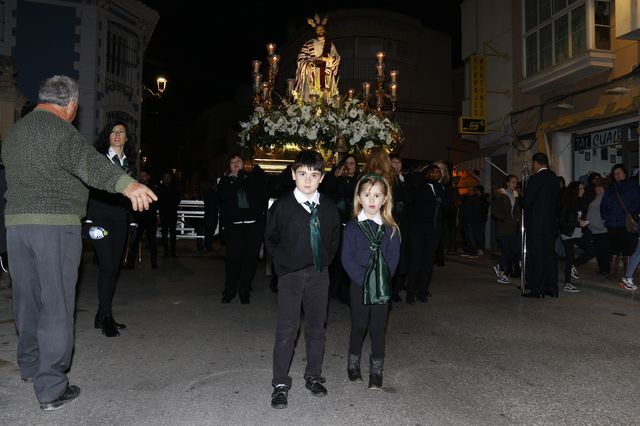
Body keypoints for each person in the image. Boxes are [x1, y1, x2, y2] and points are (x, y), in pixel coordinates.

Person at [2, 75, 156, 410]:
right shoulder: (60, 131)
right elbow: (89, 163)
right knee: (56, 303)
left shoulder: (14, 132)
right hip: (54, 226)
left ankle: (29, 366)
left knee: (26, 299)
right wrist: (126, 185)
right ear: (71, 105)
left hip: (16, 227)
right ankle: (52, 387)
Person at [266, 150, 340, 409]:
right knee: (287, 329)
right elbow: (271, 239)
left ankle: (313, 375)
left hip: (319, 274)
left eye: (314, 175)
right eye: (302, 174)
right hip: (290, 276)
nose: (308, 180)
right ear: (293, 174)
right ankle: (280, 383)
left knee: (316, 327)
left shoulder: (329, 207)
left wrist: (323, 263)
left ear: (321, 178)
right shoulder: (282, 206)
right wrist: (283, 266)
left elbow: (333, 240)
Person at [341, 174, 400, 389]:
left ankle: (377, 371)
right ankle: (353, 364)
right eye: (367, 195)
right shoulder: (352, 227)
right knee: (359, 325)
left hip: (381, 285)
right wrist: (363, 279)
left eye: (377, 195)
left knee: (377, 328)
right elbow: (346, 257)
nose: (372, 200)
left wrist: (381, 278)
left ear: (385, 199)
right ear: (359, 198)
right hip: (358, 283)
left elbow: (393, 260)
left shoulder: (391, 229)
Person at [85, 119, 138, 337]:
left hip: (120, 219)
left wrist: (133, 220)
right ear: (108, 136)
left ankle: (103, 314)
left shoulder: (130, 165)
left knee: (114, 268)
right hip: (99, 217)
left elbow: (133, 194)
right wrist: (87, 219)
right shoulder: (99, 159)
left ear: (126, 138)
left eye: (121, 131)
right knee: (107, 265)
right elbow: (87, 188)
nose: (117, 134)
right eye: (113, 131)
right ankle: (104, 316)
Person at [217, 154, 268, 304]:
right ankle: (230, 290)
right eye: (232, 162)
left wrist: (253, 174)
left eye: (238, 161)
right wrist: (237, 180)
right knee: (233, 260)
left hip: (253, 225)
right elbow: (223, 197)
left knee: (250, 260)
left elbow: (264, 193)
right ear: (229, 166)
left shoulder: (252, 179)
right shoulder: (225, 181)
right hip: (234, 226)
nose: (236, 164)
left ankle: (244, 291)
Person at [405, 164, 449, 303]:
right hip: (417, 228)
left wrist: (442, 200)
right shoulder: (419, 185)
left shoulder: (439, 187)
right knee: (415, 261)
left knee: (428, 263)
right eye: (433, 171)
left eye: (438, 172)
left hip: (433, 230)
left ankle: (422, 292)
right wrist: (425, 170)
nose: (436, 174)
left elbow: (448, 206)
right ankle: (411, 293)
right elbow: (414, 184)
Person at [322, 153, 360, 304]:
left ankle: (345, 291)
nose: (349, 166)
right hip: (337, 224)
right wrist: (335, 176)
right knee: (336, 258)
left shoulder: (359, 181)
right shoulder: (335, 178)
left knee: (349, 258)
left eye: (352, 163)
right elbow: (326, 192)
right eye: (347, 163)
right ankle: (332, 290)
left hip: (353, 224)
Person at [522, 152, 560, 298]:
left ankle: (537, 289)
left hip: (537, 224)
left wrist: (521, 199)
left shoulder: (536, 178)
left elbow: (528, 200)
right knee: (550, 256)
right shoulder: (554, 178)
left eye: (533, 164)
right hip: (550, 224)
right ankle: (552, 287)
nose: (533, 166)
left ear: (536, 163)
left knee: (537, 256)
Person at [601, 163, 640, 281]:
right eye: (615, 173)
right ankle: (613, 273)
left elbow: (637, 202)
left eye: (619, 173)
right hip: (611, 223)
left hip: (625, 223)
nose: (617, 175)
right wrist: (606, 216)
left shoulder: (632, 185)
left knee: (627, 249)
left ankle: (627, 274)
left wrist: (629, 213)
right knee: (613, 248)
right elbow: (604, 205)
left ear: (625, 173)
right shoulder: (611, 187)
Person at [558, 181, 595, 293]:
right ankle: (567, 284)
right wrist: (578, 224)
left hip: (578, 233)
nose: (583, 191)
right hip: (568, 233)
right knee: (569, 257)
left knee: (592, 250)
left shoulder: (581, 202)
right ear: (574, 190)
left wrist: (582, 222)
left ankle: (574, 265)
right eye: (580, 189)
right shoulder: (566, 203)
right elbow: (562, 222)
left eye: (583, 188)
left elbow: (579, 218)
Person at [294, 14, 340, 102]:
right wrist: (309, 63)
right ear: (315, 31)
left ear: (325, 31)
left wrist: (329, 59)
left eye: (322, 29)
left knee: (326, 98)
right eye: (318, 29)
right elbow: (301, 58)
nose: (320, 30)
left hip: (326, 74)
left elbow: (337, 57)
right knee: (311, 98)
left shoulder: (330, 44)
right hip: (312, 74)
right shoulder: (308, 44)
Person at [124, 170, 159, 269]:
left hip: (150, 219)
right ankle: (130, 264)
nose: (142, 178)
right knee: (135, 241)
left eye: (144, 176)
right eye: (141, 176)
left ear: (148, 177)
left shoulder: (153, 188)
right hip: (139, 219)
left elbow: (155, 203)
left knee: (152, 242)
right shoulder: (136, 187)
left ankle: (154, 264)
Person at [491, 175, 521, 284]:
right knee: (507, 250)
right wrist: (503, 218)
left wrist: (516, 219)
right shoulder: (500, 194)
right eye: (513, 182)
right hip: (503, 227)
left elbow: (517, 209)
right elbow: (494, 210)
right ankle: (501, 272)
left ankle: (500, 267)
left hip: (512, 226)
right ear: (507, 183)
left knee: (514, 250)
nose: (515, 184)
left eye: (516, 182)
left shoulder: (515, 194)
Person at [158, 172, 182, 258]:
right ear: (163, 178)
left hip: (172, 213)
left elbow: (178, 198)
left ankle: (173, 252)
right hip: (163, 213)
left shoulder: (175, 188)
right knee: (164, 233)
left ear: (170, 178)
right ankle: (166, 252)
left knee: (173, 233)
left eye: (168, 177)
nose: (167, 179)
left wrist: (174, 206)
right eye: (165, 177)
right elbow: (158, 200)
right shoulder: (160, 188)